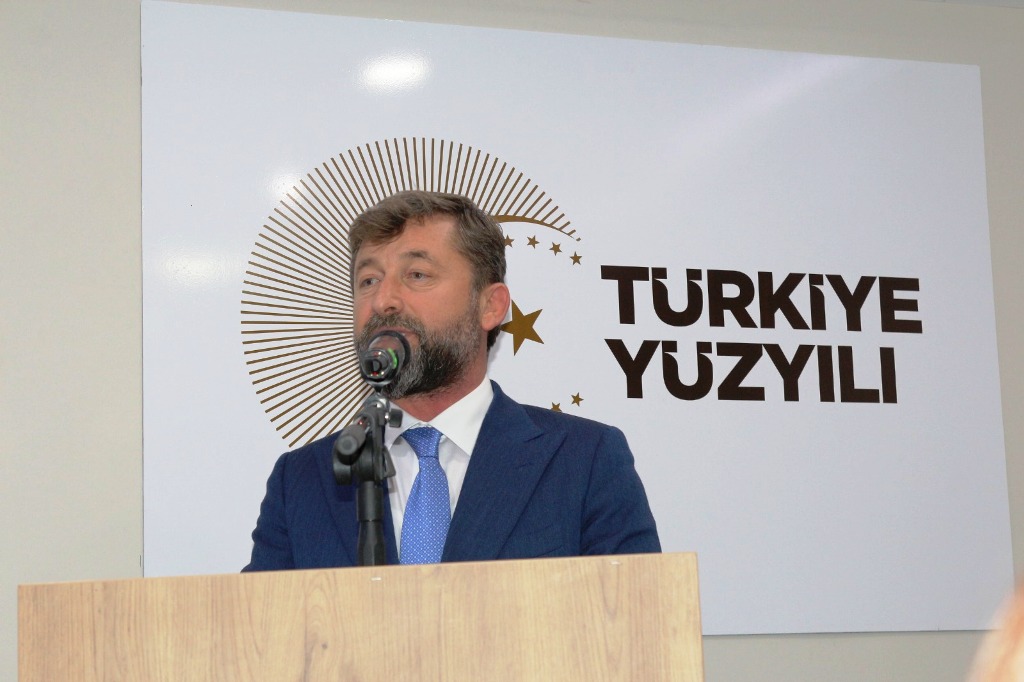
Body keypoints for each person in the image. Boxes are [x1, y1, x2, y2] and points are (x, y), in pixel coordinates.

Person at [243, 190, 660, 571]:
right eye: (368, 280)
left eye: (417, 275)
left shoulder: (584, 460)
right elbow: (258, 626)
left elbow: (638, 618)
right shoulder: (301, 480)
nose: (383, 300)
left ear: (490, 306)